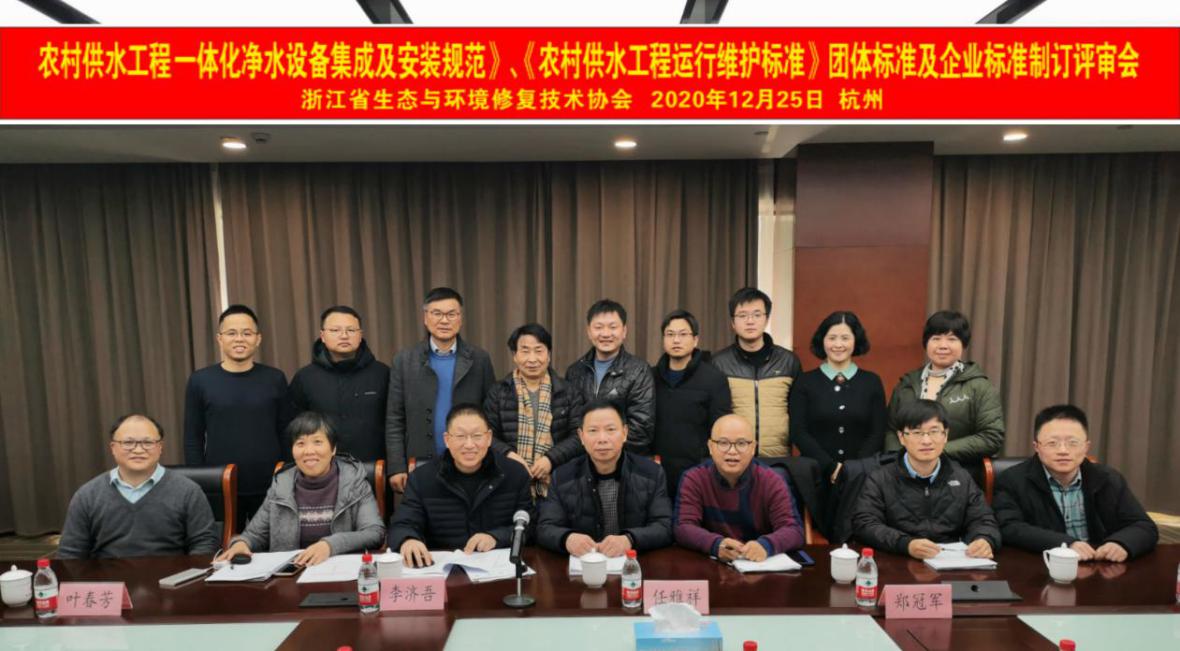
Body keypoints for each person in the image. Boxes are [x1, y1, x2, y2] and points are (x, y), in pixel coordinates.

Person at [217, 412, 385, 567]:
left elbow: (374, 532)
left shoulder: (354, 480)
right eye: (300, 443)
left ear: (333, 448)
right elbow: (254, 535)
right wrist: (241, 544)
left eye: (317, 442)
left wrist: (330, 545)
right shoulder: (282, 484)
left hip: (340, 573)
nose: (308, 451)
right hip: (291, 576)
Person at [994, 404, 1158, 562]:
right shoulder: (1012, 480)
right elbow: (1008, 527)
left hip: (1100, 565)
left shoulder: (1107, 478)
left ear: (1086, 447)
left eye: (1073, 443)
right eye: (1052, 443)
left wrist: (1121, 543)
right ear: (1036, 447)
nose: (1063, 451)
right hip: (1043, 567)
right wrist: (1066, 544)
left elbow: (1143, 525)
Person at [184, 304, 291, 527]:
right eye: (231, 333)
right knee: (225, 545)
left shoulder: (275, 378)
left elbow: (286, 432)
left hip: (270, 484)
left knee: (274, 544)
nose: (239, 339)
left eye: (247, 333)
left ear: (258, 339)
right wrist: (200, 480)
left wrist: (287, 476)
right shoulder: (200, 381)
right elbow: (193, 436)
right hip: (220, 484)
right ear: (220, 338)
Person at [387, 404, 532, 568]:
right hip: (442, 570)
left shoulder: (515, 474)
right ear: (447, 440)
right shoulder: (421, 478)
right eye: (461, 436)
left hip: (499, 570)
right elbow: (401, 525)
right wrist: (408, 540)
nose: (469, 444)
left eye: (477, 436)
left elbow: (531, 526)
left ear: (489, 438)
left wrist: (496, 537)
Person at [853, 399, 1000, 560]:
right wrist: (906, 544)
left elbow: (984, 520)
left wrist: (984, 539)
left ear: (945, 435)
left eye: (934, 431)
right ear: (901, 437)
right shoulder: (880, 478)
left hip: (951, 562)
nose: (926, 441)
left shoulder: (961, 477)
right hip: (899, 560)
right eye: (917, 433)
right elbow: (864, 524)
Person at [58, 414, 218, 559]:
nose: (138, 449)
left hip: (171, 578)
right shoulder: (88, 495)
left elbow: (205, 544)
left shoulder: (188, 491)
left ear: (160, 447)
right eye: (128, 443)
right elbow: (70, 553)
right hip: (109, 580)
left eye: (148, 442)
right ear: (113, 448)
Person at [385, 287, 496, 492]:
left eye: (451, 314)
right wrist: (396, 466)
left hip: (469, 461)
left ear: (460, 319)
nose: (444, 320)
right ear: (425, 318)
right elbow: (394, 418)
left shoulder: (479, 359)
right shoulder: (404, 360)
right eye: (437, 313)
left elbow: (491, 414)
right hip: (420, 462)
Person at [537, 399, 673, 557]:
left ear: (625, 433)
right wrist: (567, 538)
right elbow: (545, 528)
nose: (602, 439)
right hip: (582, 565)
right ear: (581, 436)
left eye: (610, 429)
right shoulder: (562, 476)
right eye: (593, 431)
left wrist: (630, 539)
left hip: (633, 565)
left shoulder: (652, 473)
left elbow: (664, 527)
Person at [885, 310, 1004, 480]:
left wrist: (934, 450)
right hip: (906, 474)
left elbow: (991, 437)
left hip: (958, 474)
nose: (943, 345)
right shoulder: (907, 384)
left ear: (963, 344)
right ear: (926, 343)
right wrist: (902, 459)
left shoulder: (979, 386)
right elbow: (891, 429)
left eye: (952, 339)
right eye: (936, 338)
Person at [674, 414, 803, 561]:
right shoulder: (694, 479)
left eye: (741, 443)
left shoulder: (772, 481)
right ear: (710, 447)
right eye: (723, 443)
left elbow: (794, 530)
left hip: (758, 565)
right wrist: (715, 544)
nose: (732, 451)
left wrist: (766, 545)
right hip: (712, 566)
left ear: (753, 448)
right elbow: (683, 527)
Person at [484, 323, 585, 496]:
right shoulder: (498, 392)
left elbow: (579, 436)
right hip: (508, 481)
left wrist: (550, 459)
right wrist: (510, 456)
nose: (532, 359)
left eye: (539, 350)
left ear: (548, 355)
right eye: (525, 351)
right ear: (515, 356)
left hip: (557, 483)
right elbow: (487, 435)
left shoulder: (568, 392)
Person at [789, 311, 887, 485]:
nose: (838, 344)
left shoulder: (871, 381)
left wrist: (855, 468)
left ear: (856, 340)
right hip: (816, 475)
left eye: (845, 338)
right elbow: (798, 432)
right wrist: (830, 467)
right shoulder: (805, 382)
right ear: (822, 340)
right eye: (832, 338)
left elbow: (877, 432)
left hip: (862, 477)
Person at [289, 305, 390, 461]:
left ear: (360, 335)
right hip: (323, 468)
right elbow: (295, 430)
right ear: (322, 336)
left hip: (375, 466)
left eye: (351, 330)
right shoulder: (305, 378)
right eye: (335, 330)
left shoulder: (383, 373)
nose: (344, 336)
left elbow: (396, 424)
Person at [711, 287, 802, 458]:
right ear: (732, 323)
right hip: (734, 458)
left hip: (779, 459)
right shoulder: (718, 363)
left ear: (766, 319)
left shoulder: (788, 361)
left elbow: (798, 414)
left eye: (757, 314)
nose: (750, 321)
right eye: (742, 315)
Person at [651, 309, 732, 496]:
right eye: (670, 334)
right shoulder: (650, 377)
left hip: (699, 471)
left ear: (695, 340)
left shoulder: (714, 379)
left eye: (683, 334)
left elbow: (720, 429)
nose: (676, 340)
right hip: (658, 471)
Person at [564, 299, 654, 455]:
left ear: (624, 331)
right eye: (598, 327)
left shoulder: (639, 370)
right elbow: (572, 424)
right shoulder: (575, 371)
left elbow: (641, 430)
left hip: (624, 460)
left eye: (613, 327)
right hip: (581, 459)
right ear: (589, 331)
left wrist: (604, 451)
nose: (605, 334)